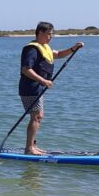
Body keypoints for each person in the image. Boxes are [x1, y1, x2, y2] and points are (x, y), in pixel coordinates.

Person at [19, 22, 84, 155]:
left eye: (52, 34)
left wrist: (73, 48)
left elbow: (59, 54)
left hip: (37, 88)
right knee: (36, 116)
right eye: (48, 34)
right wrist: (43, 81)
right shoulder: (32, 49)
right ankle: (29, 148)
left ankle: (32, 146)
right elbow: (26, 69)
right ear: (40, 33)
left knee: (38, 116)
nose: (51, 36)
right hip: (29, 88)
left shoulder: (45, 47)